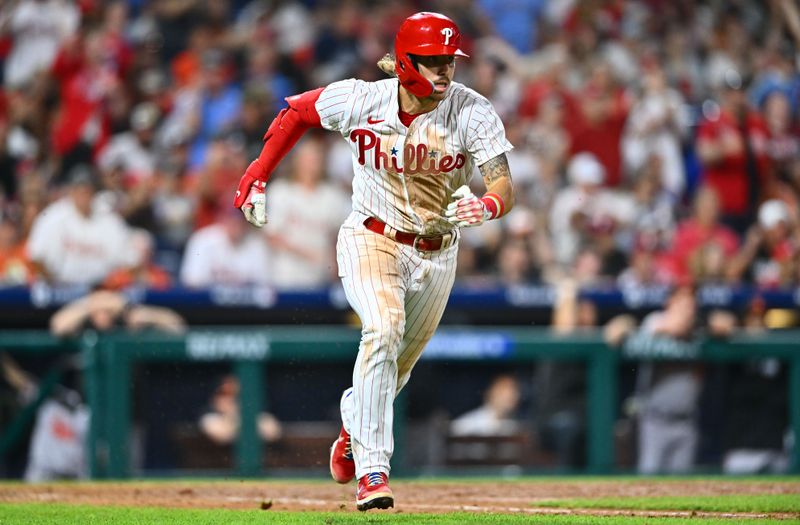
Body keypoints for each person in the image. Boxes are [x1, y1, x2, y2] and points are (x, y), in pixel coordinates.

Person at [232, 12, 515, 511]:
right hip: (371, 236)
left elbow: (502, 184)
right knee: (382, 330)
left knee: (397, 367)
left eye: (450, 60)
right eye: (433, 62)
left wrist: (488, 204)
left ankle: (352, 425)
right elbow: (295, 113)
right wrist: (257, 173)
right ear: (406, 63)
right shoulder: (363, 99)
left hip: (438, 250)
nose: (446, 72)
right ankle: (374, 472)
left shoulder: (472, 111)